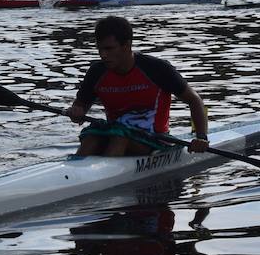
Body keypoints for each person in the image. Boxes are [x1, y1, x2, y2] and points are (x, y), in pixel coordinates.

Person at [65, 16, 209, 158]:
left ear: (126, 46)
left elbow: (194, 100)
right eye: (100, 49)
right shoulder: (96, 72)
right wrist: (76, 113)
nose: (103, 55)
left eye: (109, 49)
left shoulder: (156, 68)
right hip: (116, 132)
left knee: (120, 138)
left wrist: (201, 137)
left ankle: (110, 175)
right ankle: (73, 173)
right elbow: (79, 109)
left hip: (156, 138)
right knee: (91, 137)